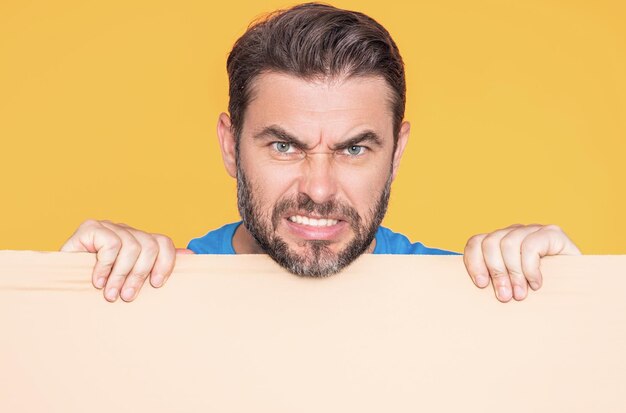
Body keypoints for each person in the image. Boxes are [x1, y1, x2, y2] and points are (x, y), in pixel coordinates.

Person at [60, 3, 581, 304]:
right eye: (284, 146)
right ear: (229, 145)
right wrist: (68, 299)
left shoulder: (469, 294)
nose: (319, 188)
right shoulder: (156, 291)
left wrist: (578, 299)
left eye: (354, 148)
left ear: (397, 152)